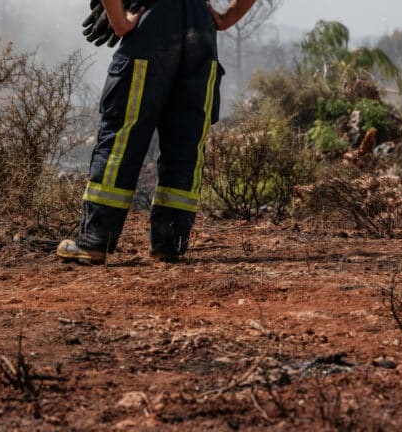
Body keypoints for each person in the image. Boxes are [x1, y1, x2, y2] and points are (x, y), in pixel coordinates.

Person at [57, 0, 257, 264]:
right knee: (186, 143)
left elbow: (120, 20)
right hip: (200, 31)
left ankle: (95, 239)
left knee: (123, 136)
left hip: (151, 24)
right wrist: (228, 16)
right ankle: (168, 243)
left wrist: (119, 20)